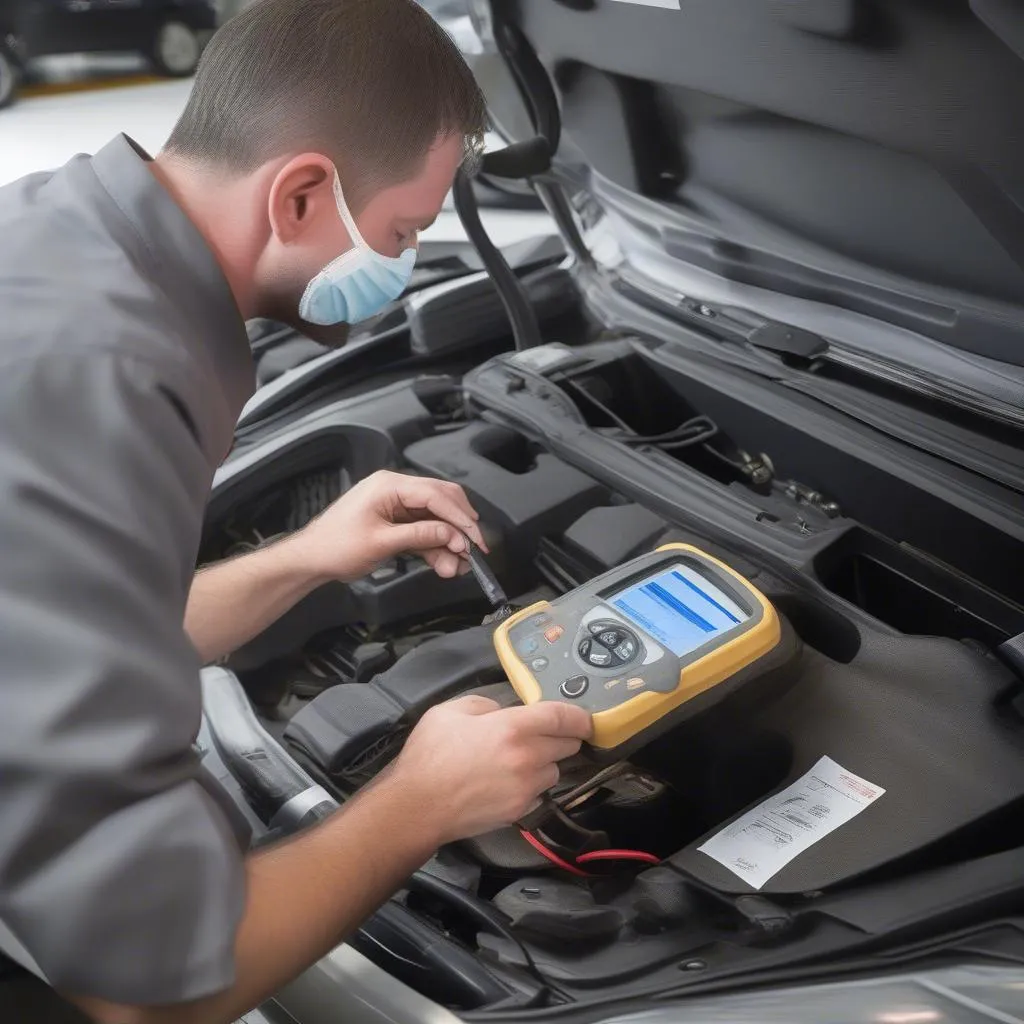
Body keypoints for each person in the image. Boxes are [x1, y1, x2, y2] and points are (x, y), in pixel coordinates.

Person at [0, 0, 593, 1021]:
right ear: (303, 194)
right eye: (405, 230)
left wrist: (307, 557)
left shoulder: (56, 232)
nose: (405, 259)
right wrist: (414, 806)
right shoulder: (101, 382)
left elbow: (59, 636)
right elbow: (144, 990)